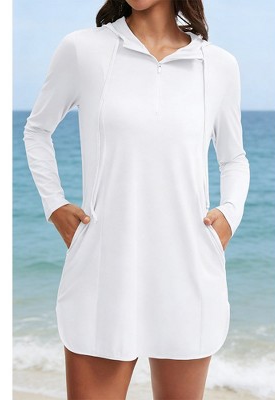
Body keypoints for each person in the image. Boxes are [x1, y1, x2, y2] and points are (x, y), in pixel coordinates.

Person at [23, 0, 250, 398]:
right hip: (104, 270)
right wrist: (54, 204)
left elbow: (234, 158)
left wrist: (229, 214)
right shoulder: (83, 50)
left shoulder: (218, 65)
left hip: (187, 271)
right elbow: (37, 130)